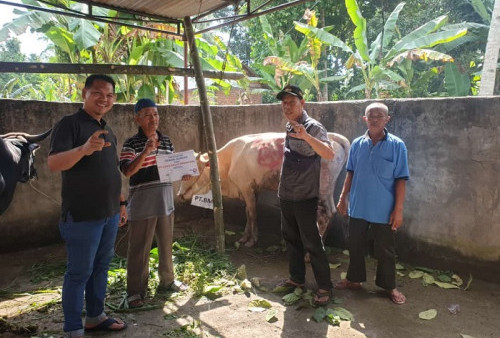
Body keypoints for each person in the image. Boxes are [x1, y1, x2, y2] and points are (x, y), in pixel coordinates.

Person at [48, 74, 127, 337]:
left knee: (101, 267)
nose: (104, 99)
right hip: (82, 216)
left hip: (110, 214)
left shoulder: (108, 129)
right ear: (84, 94)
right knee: (79, 273)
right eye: (98, 93)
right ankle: (72, 327)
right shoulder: (68, 125)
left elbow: (113, 170)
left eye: (109, 95)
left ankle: (95, 316)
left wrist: (121, 204)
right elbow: (54, 163)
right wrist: (83, 149)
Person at [335, 102, 409, 305]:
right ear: (364, 119)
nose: (375, 119)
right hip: (358, 206)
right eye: (371, 116)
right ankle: (354, 280)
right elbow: (350, 172)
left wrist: (398, 210)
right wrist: (343, 198)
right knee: (355, 244)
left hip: (384, 209)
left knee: (386, 249)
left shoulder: (397, 145)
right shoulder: (357, 143)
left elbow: (401, 179)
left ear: (387, 119)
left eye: (379, 115)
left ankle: (389, 287)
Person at [119, 98, 188, 309]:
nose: (153, 119)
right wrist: (146, 151)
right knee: (140, 248)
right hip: (142, 202)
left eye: (156, 114)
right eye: (148, 115)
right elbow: (127, 171)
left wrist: (182, 172)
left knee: (166, 244)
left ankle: (167, 281)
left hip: (165, 199)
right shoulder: (131, 144)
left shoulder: (166, 141)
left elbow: (170, 168)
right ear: (137, 118)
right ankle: (135, 292)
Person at [276, 84, 335, 306]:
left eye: (292, 102)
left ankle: (324, 286)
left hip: (305, 196)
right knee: (291, 239)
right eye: (284, 103)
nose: (287, 106)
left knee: (312, 242)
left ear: (303, 103)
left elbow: (329, 153)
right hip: (287, 194)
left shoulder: (313, 127)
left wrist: (306, 137)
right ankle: (297, 280)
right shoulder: (288, 125)